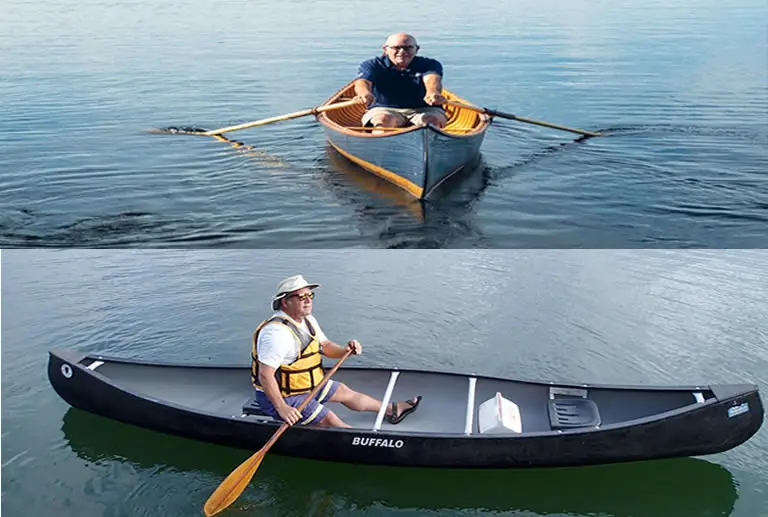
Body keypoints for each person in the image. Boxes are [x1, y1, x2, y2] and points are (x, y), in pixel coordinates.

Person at [251, 274, 422, 428]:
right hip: (282, 397)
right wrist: (282, 408)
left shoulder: (307, 320)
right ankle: (359, 443)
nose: (308, 300)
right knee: (330, 419)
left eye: (310, 295)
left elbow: (325, 346)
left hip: (305, 386)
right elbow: (265, 375)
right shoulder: (276, 333)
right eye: (301, 297)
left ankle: (392, 410)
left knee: (345, 392)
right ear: (285, 302)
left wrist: (346, 350)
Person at [353, 33, 448, 130]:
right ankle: (382, 141)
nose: (402, 52)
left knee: (431, 122)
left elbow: (432, 79)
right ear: (386, 49)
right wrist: (364, 93)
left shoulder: (430, 64)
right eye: (396, 48)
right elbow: (363, 82)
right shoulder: (372, 65)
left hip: (425, 109)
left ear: (416, 49)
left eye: (408, 48)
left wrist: (433, 92)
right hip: (384, 109)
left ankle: (429, 140)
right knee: (383, 121)